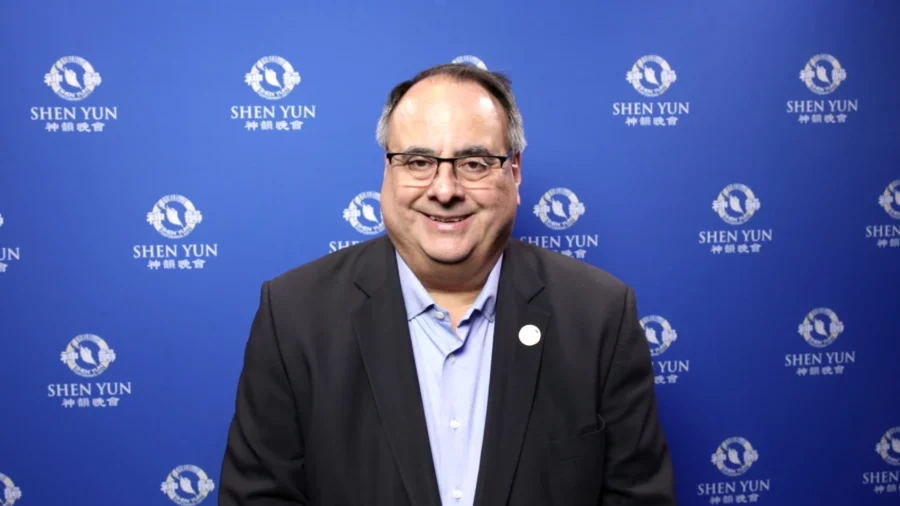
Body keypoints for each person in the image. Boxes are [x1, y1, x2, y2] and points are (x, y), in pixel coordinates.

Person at [218, 62, 676, 506]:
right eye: (418, 161)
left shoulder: (600, 316)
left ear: (514, 172)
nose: (444, 189)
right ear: (387, 172)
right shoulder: (294, 316)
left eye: (474, 163)